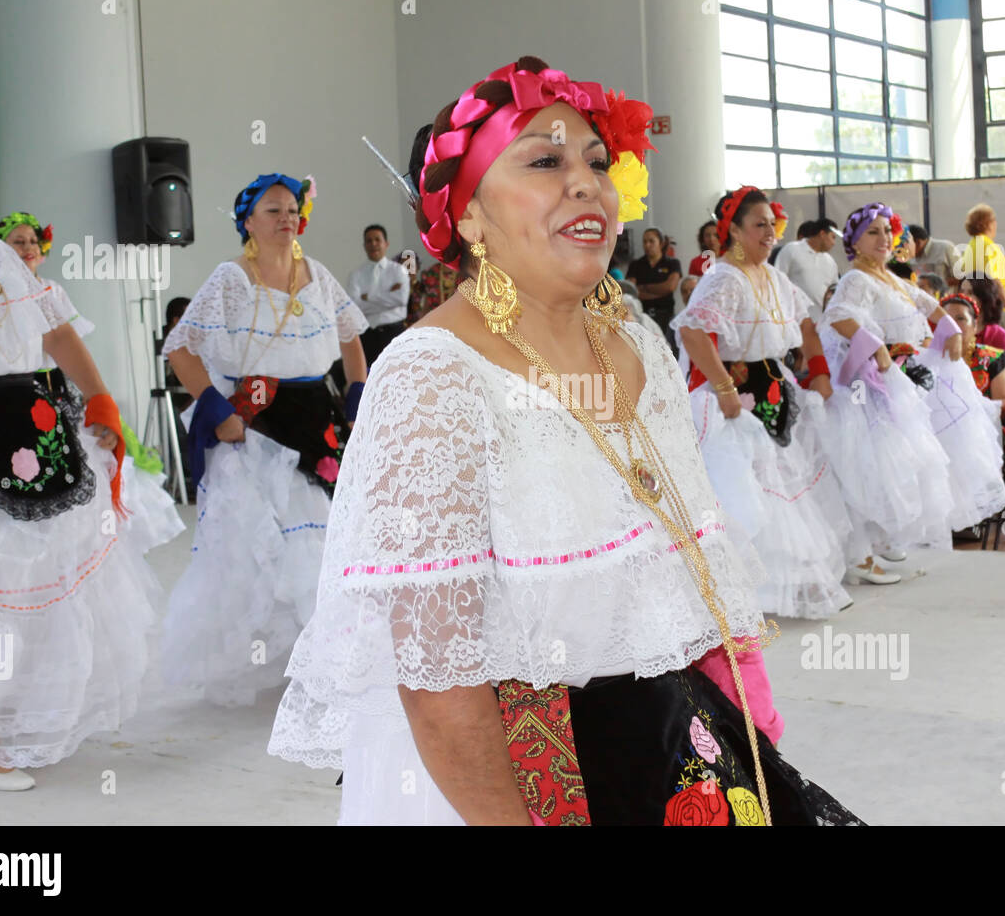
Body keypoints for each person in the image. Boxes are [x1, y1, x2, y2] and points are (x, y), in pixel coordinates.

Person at [268, 56, 863, 827]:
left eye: (594, 161)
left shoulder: (639, 342)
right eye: (545, 161)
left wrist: (735, 694)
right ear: (468, 217)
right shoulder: (432, 374)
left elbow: (686, 560)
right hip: (516, 771)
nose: (585, 182)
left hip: (664, 734)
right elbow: (439, 681)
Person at [0, 136, 160, 790]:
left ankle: (19, 719)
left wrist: (102, 399)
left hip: (36, 425)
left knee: (46, 574)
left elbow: (55, 332)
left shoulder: (1, 257)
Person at [162, 172, 369, 707]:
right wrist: (213, 407)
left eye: (291, 209)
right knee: (265, 544)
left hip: (313, 418)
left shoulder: (317, 275)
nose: (285, 218)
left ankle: (324, 659)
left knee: (322, 538)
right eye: (272, 210)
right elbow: (181, 348)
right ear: (248, 222)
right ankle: (293, 659)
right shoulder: (230, 278)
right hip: (254, 422)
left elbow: (351, 336)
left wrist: (358, 393)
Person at [673, 185, 862, 612]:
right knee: (754, 492)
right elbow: (692, 331)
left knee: (786, 485)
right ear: (734, 232)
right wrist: (724, 392)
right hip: (738, 397)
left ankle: (796, 583)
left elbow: (808, 325)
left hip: (775, 389)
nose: (769, 233)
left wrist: (819, 373)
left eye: (772, 225)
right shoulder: (723, 276)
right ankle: (756, 590)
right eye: (759, 226)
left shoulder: (774, 276)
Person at [0, 210, 185, 544]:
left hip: (56, 389)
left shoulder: (52, 290)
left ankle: (89, 538)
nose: (28, 248)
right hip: (16, 391)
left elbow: (70, 345)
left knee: (89, 461)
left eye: (33, 241)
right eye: (18, 242)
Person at [817, 204, 963, 568]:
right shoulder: (856, 279)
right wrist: (876, 346)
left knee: (893, 464)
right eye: (873, 232)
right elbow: (836, 316)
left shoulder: (891, 277)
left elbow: (928, 303)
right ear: (854, 241)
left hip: (895, 382)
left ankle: (880, 537)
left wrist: (951, 326)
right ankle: (860, 553)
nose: (883, 238)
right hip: (867, 387)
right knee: (868, 463)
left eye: (887, 231)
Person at [346, 224, 409, 363]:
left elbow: (401, 299)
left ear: (386, 244)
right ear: (364, 245)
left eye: (377, 240)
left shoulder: (399, 271)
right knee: (371, 380)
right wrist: (387, 296)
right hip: (368, 336)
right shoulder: (356, 275)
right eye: (369, 241)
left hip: (394, 334)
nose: (373, 244)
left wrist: (367, 297)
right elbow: (355, 308)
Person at [942, 293, 1005, 413]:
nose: (952, 324)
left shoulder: (994, 359)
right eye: (947, 319)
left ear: (975, 326)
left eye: (960, 318)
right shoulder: (928, 360)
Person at [626, 227, 681, 352]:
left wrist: (644, 288)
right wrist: (659, 290)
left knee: (667, 351)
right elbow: (632, 292)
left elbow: (670, 287)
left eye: (651, 241)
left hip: (666, 316)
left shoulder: (672, 263)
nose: (647, 245)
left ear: (661, 243)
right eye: (644, 242)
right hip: (642, 316)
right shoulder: (635, 265)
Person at [775, 216, 838, 321]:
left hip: (819, 323)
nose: (834, 243)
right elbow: (777, 280)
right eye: (833, 237)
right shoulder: (792, 249)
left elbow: (834, 289)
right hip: (792, 320)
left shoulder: (831, 262)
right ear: (822, 234)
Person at [955, 204, 1005, 308]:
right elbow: (995, 283)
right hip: (994, 308)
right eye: (994, 220)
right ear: (988, 224)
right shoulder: (987, 246)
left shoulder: (972, 244)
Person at [959, 275, 1005, 357]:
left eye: (970, 293)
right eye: (961, 291)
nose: (963, 297)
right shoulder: (951, 331)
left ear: (984, 298)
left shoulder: (1001, 337)